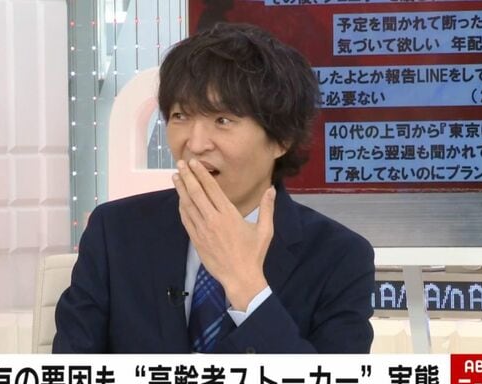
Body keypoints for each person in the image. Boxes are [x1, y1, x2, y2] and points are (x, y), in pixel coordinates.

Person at [53, 22, 375, 353]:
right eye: (180, 116)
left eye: (222, 120)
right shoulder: (114, 232)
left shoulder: (340, 257)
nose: (195, 144)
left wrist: (246, 285)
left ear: (282, 139)